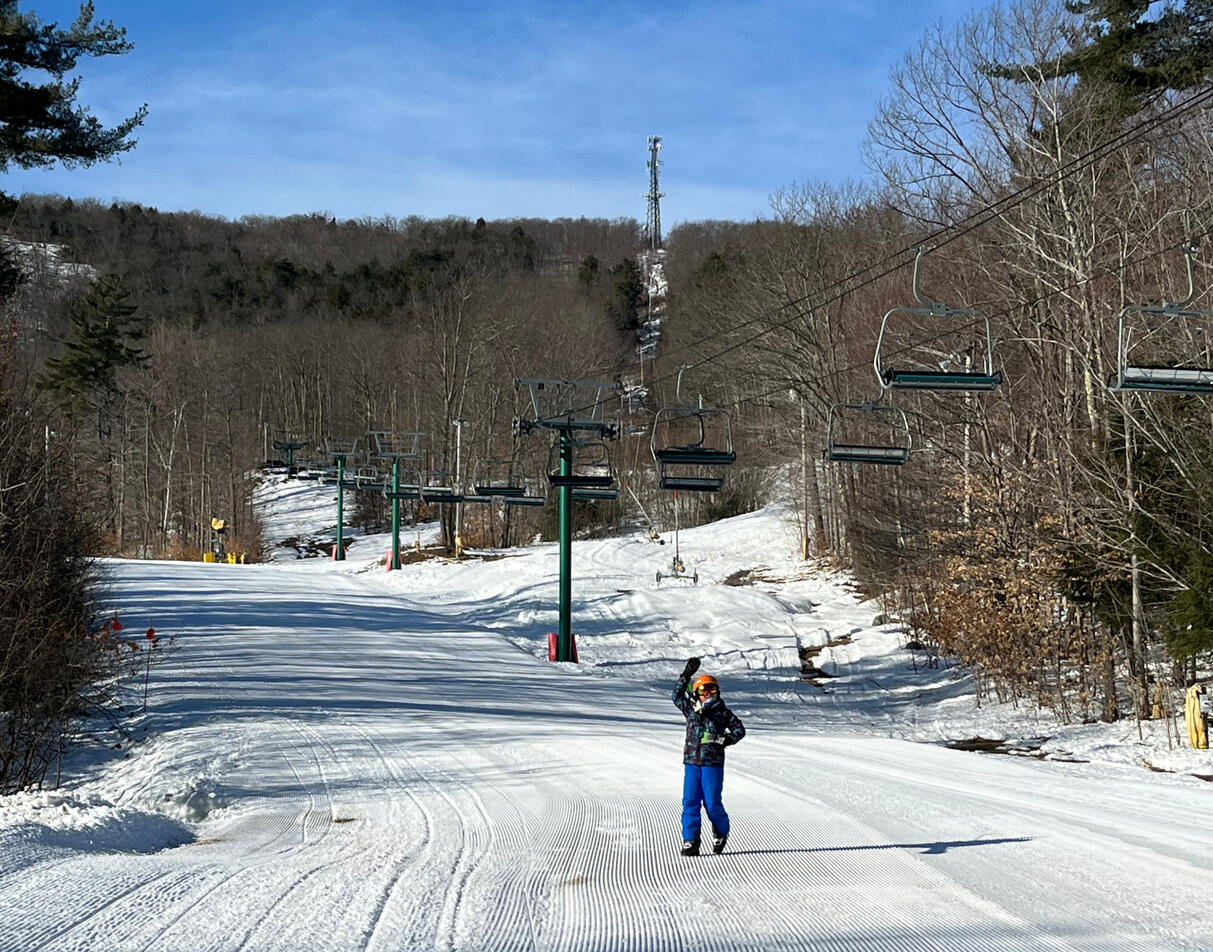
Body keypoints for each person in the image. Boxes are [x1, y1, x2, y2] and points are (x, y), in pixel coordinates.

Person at [672, 656, 745, 856]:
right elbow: (676, 696)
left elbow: (740, 730)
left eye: (712, 689)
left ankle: (721, 831)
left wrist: (725, 740)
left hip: (712, 764)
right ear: (697, 693)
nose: (708, 694)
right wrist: (686, 675)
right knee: (690, 801)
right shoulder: (691, 711)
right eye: (704, 691)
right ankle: (690, 840)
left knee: (712, 803)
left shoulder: (723, 713)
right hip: (692, 763)